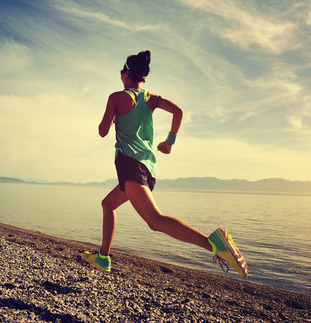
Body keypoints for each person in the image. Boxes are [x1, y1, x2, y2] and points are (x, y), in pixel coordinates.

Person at [82, 50, 249, 278]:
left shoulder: (117, 97)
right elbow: (178, 112)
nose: (120, 76)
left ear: (126, 74)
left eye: (121, 72)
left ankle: (214, 245)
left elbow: (102, 132)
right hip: (147, 167)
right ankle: (103, 258)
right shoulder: (152, 98)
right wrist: (169, 142)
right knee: (108, 204)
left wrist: (113, 118)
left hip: (130, 164)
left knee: (155, 220)